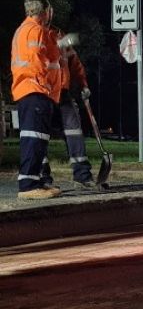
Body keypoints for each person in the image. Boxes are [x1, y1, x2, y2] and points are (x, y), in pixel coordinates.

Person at [9, 0, 66, 199]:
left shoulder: (29, 30)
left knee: (39, 139)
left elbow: (48, 55)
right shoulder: (34, 31)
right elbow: (37, 61)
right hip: (35, 91)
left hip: (34, 91)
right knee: (33, 138)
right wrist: (46, 85)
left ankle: (37, 181)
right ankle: (28, 185)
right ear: (45, 11)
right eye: (50, 10)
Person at [46, 27, 95, 189]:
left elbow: (75, 63)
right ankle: (42, 177)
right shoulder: (37, 34)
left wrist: (83, 85)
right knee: (40, 136)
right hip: (44, 92)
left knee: (74, 131)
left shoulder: (59, 35)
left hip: (63, 92)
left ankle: (82, 175)